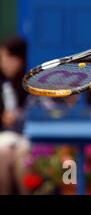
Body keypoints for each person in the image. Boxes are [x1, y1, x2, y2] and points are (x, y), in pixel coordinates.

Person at [0, 36, 31, 194]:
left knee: (22, 158)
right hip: (4, 137)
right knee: (2, 154)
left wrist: (19, 117)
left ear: (19, 59)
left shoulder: (32, 81)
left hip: (27, 137)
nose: (3, 62)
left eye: (7, 57)